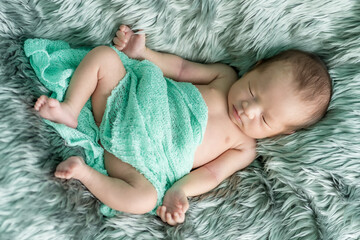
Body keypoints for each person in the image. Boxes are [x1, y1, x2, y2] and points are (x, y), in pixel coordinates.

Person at [33, 25, 332, 225]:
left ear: (281, 132)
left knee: (143, 198)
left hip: (140, 158)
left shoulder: (244, 147)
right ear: (252, 69)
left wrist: (180, 191)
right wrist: (143, 55)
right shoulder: (225, 77)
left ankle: (85, 174)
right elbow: (181, 68)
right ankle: (71, 108)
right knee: (104, 57)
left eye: (265, 119)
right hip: (129, 102)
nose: (249, 109)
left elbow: (212, 173)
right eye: (253, 90)